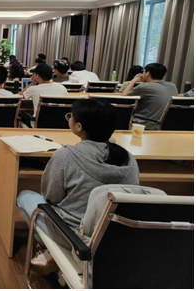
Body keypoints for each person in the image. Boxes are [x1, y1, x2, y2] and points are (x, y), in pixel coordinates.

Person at [17, 99, 139, 260]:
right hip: (113, 236)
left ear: (79, 127)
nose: (69, 119)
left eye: (71, 116)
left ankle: (51, 248)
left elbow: (51, 197)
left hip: (72, 235)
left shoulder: (66, 155)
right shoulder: (128, 158)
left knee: (24, 196)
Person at [122, 63, 178, 130]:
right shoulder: (172, 86)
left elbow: (124, 95)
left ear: (147, 73)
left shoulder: (144, 87)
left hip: (143, 123)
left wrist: (134, 80)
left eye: (143, 72)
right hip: (165, 125)